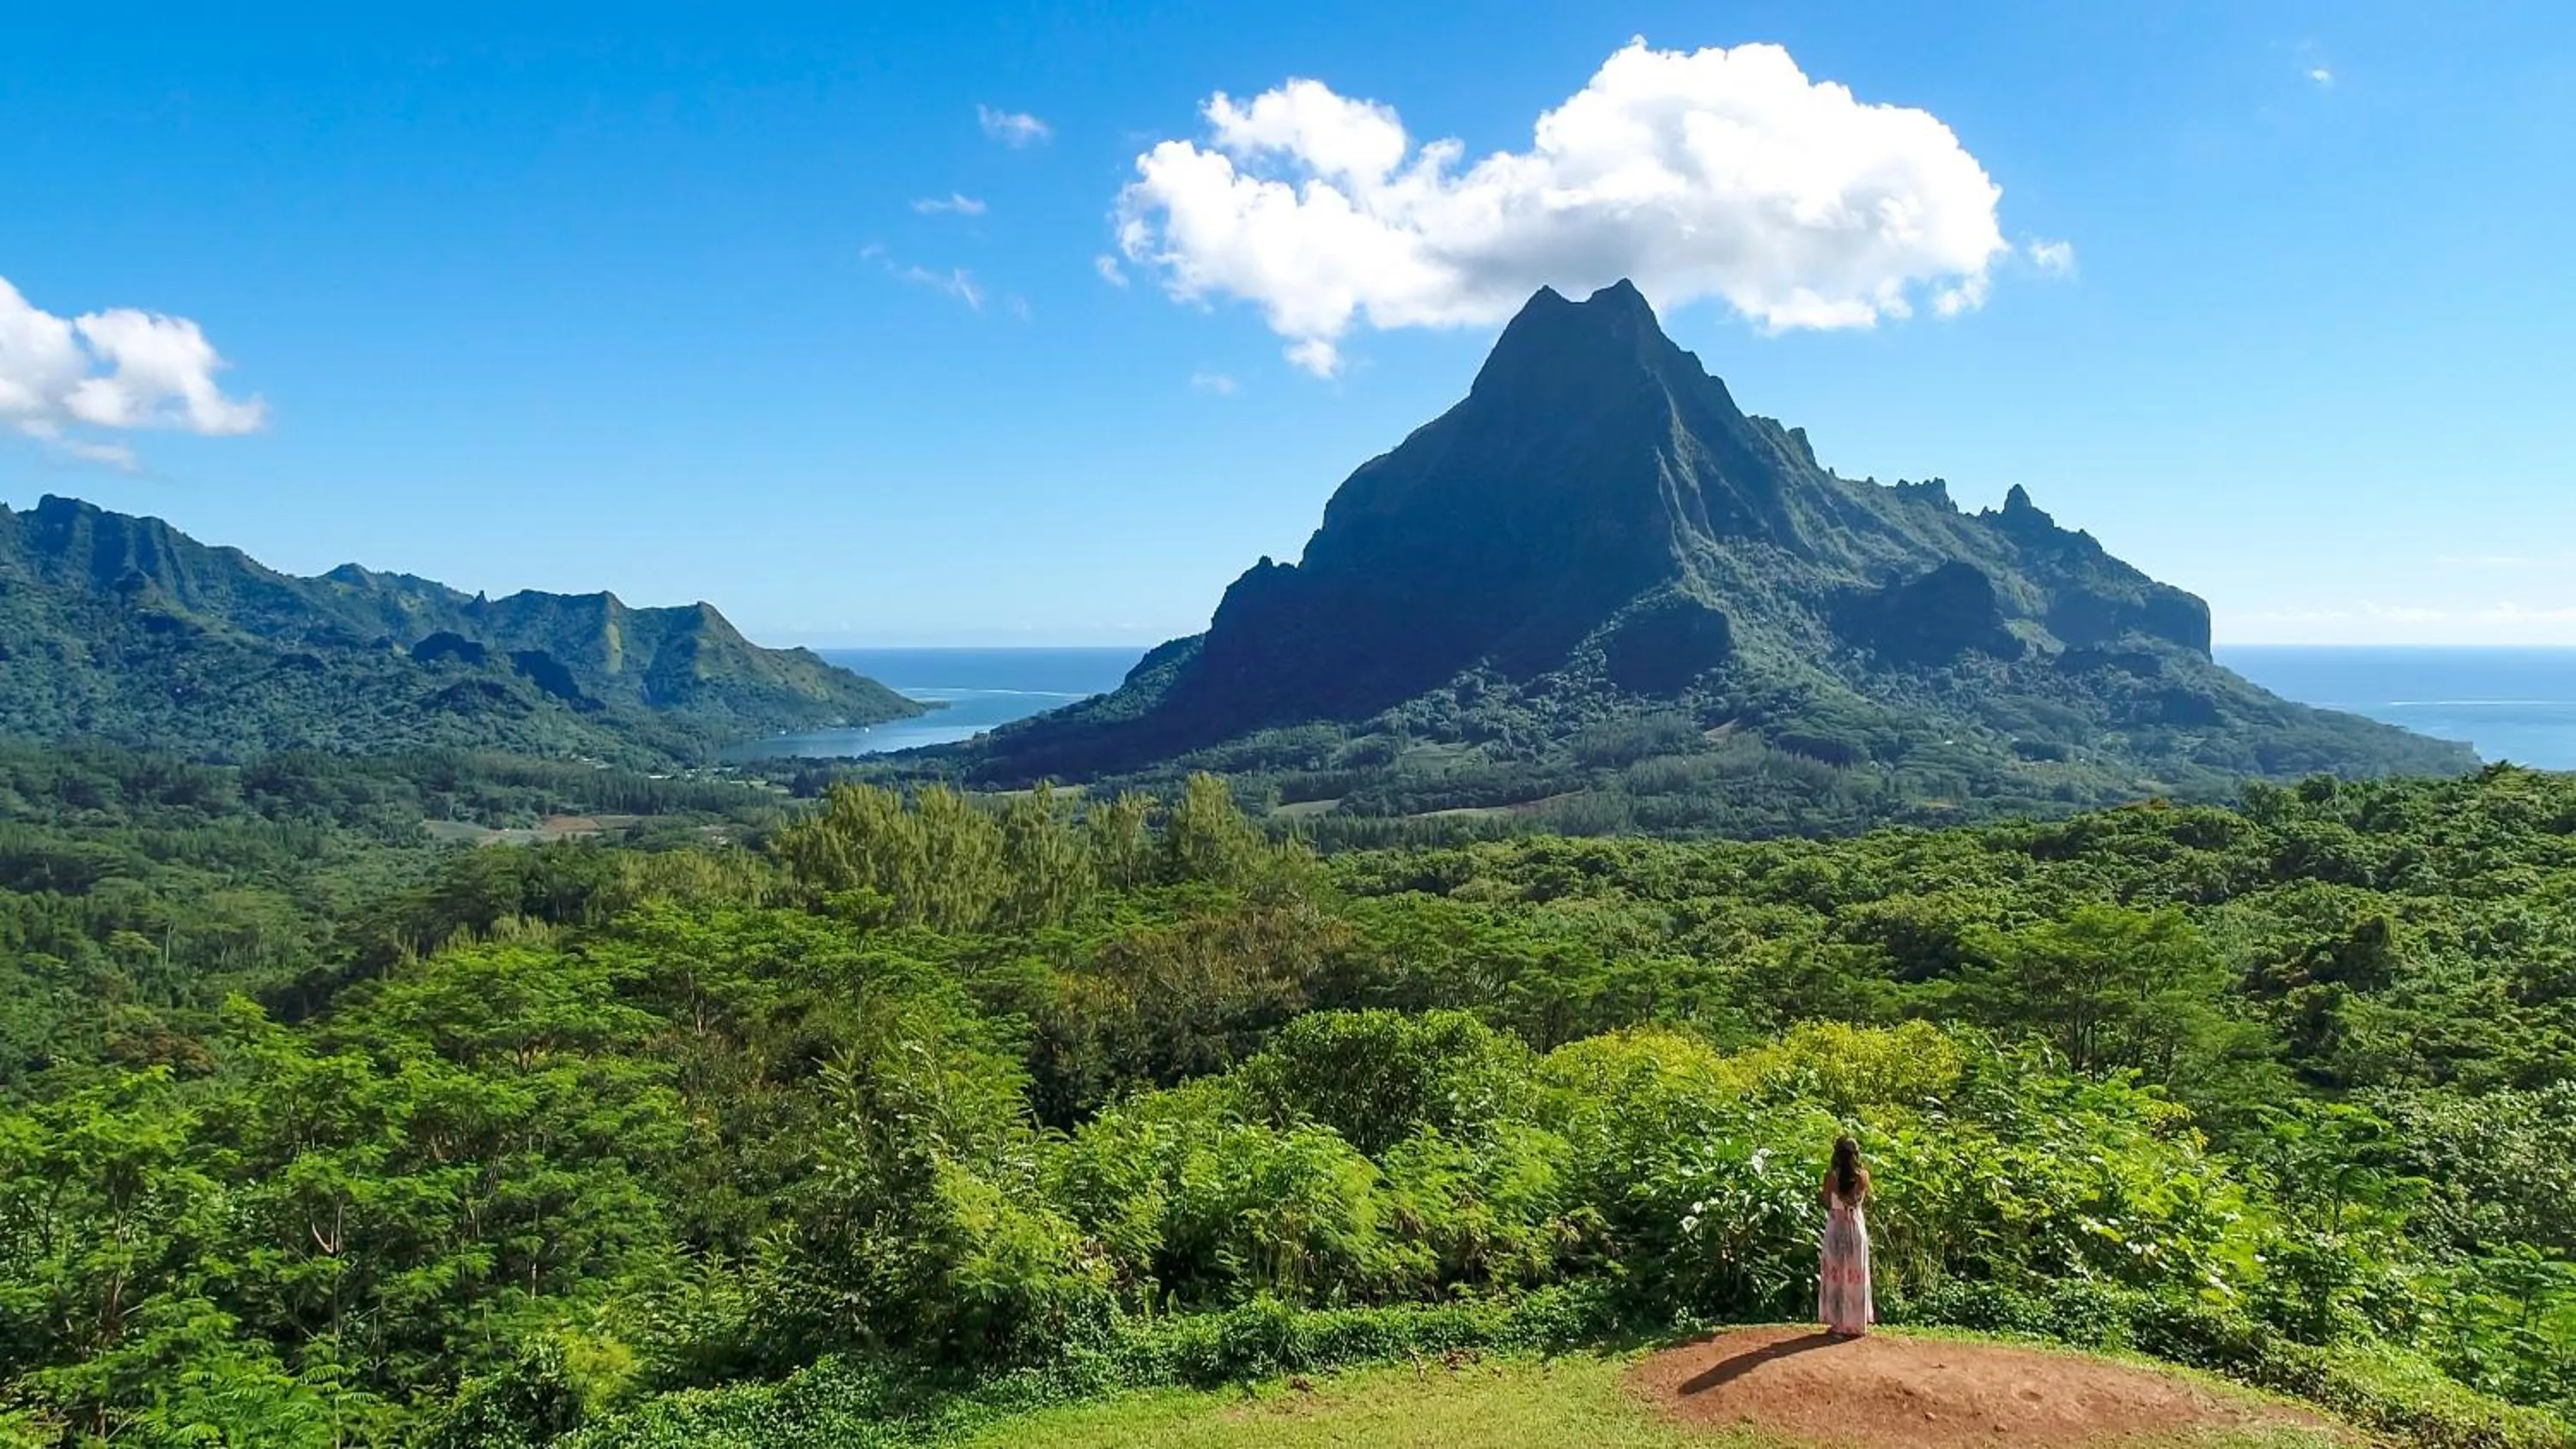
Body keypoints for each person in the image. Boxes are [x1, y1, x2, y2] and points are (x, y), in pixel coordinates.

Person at [1818, 1134, 1874, 1337]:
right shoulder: (1863, 1176)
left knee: (1836, 1276)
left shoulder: (1830, 1177)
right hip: (1856, 1228)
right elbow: (1860, 1200)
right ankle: (1857, 1324)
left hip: (1836, 1227)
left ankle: (1838, 1324)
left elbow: (1826, 1200)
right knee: (1855, 1275)